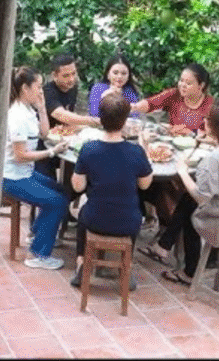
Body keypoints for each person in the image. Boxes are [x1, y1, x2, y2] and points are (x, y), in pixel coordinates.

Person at [147, 100, 219, 286]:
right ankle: (163, 245)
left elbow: (201, 197)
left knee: (191, 208)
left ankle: (189, 271)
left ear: (214, 126)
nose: (204, 120)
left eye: (207, 119)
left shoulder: (215, 159)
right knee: (188, 200)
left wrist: (182, 171)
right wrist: (211, 140)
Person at [69, 93, 153, 289]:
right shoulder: (136, 151)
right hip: (128, 223)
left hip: (95, 219)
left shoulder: (89, 149)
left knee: (82, 211)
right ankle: (127, 267)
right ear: (125, 121)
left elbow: (77, 186)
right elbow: (145, 185)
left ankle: (81, 263)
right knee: (132, 212)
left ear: (100, 118)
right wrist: (146, 147)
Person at [2, 65, 71, 270]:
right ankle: (39, 255)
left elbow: (44, 133)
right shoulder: (17, 116)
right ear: (25, 88)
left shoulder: (28, 110)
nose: (42, 91)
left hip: (25, 173)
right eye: (38, 87)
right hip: (13, 178)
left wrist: (42, 108)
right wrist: (51, 152)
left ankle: (37, 235)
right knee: (56, 202)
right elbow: (20, 155)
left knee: (63, 191)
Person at [34, 53, 101, 181]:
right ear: (54, 75)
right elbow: (62, 115)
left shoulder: (72, 88)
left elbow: (69, 118)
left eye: (74, 74)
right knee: (51, 185)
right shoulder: (48, 92)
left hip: (63, 142)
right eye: (66, 75)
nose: (71, 79)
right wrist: (92, 121)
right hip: (41, 146)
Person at [132, 63, 214, 137]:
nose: (183, 85)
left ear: (201, 85)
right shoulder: (174, 94)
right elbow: (150, 103)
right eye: (181, 80)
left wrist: (191, 134)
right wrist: (134, 107)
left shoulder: (211, 105)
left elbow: (215, 137)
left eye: (188, 83)